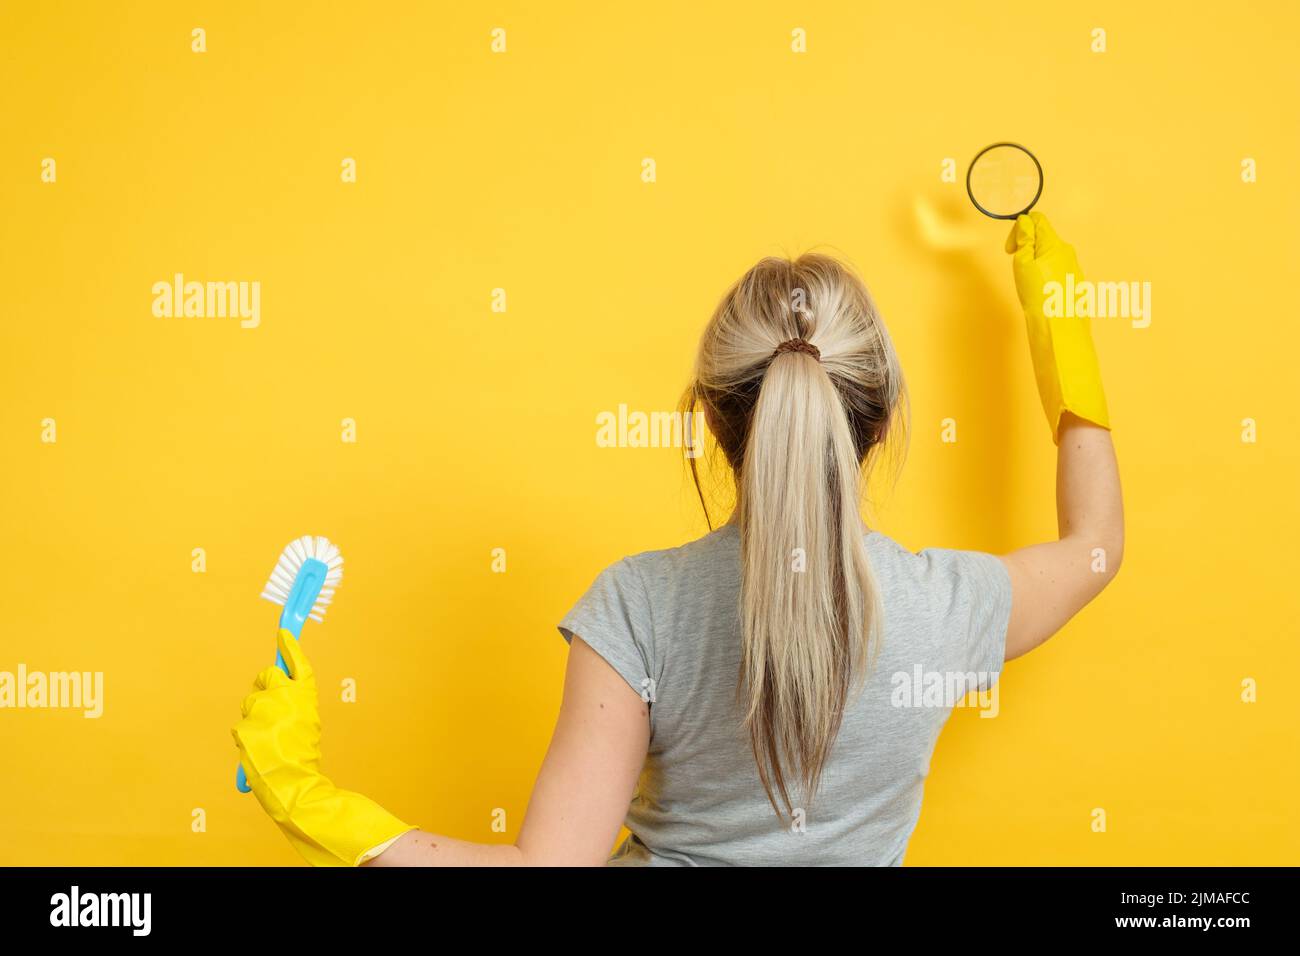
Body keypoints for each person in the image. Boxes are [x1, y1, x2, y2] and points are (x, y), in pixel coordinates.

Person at [232, 212, 1123, 866]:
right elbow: (1096, 547)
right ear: (881, 420)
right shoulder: (945, 609)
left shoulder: (638, 607)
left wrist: (313, 800)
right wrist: (1062, 329)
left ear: (711, 421)